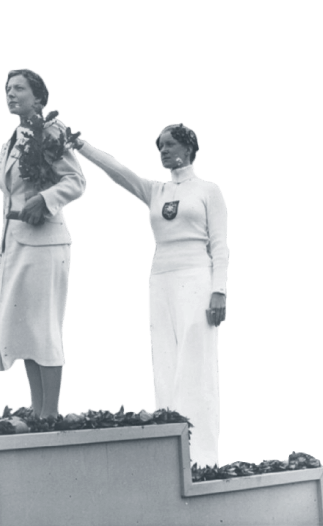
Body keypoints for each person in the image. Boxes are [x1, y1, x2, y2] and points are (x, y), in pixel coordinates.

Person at [72, 124, 228, 467]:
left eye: (170, 145)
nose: (164, 151)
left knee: (195, 362)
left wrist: (220, 290)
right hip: (161, 280)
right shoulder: (155, 191)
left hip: (197, 280)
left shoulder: (208, 190)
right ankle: (172, 451)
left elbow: (219, 245)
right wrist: (81, 146)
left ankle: (202, 457)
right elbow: (118, 171)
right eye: (159, 147)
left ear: (188, 149)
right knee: (166, 360)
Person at [0, 68, 86, 419]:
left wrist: (45, 200)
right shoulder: (11, 141)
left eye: (18, 88)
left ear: (39, 98)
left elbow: (76, 181)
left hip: (45, 243)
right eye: (7, 88)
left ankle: (51, 411)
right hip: (15, 243)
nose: (10, 94)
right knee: (23, 325)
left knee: (42, 325)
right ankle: (37, 404)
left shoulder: (51, 133)